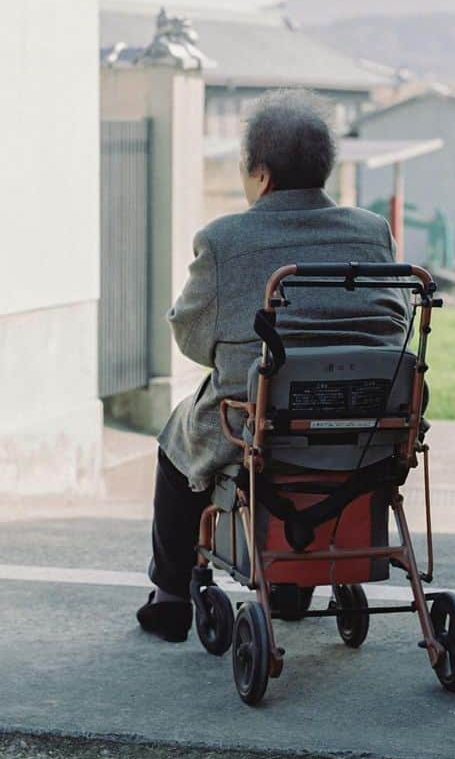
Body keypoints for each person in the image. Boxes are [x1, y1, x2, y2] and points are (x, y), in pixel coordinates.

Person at [136, 88, 412, 642]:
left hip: (259, 425)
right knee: (302, 440)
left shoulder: (223, 240)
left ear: (259, 174)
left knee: (178, 435)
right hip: (370, 427)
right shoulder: (370, 230)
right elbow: (396, 322)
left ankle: (169, 596)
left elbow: (194, 340)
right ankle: (293, 581)